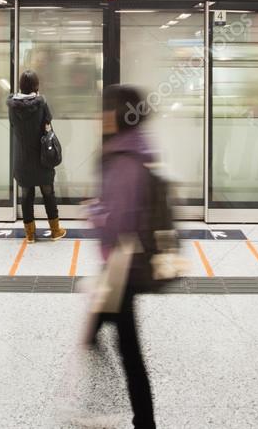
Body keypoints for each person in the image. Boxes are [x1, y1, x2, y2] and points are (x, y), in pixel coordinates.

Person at [87, 84, 157, 429]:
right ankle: (92, 331)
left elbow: (118, 222)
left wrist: (95, 212)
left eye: (105, 109)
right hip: (118, 262)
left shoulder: (123, 158)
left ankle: (145, 420)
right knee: (107, 314)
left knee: (130, 351)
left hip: (122, 263)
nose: (100, 116)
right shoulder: (135, 148)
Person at [8, 69, 65, 243]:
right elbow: (48, 122)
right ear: (35, 85)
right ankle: (55, 231)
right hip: (42, 157)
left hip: (22, 158)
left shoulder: (12, 106)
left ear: (20, 86)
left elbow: (13, 125)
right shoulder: (41, 103)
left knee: (26, 195)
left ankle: (30, 234)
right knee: (48, 193)